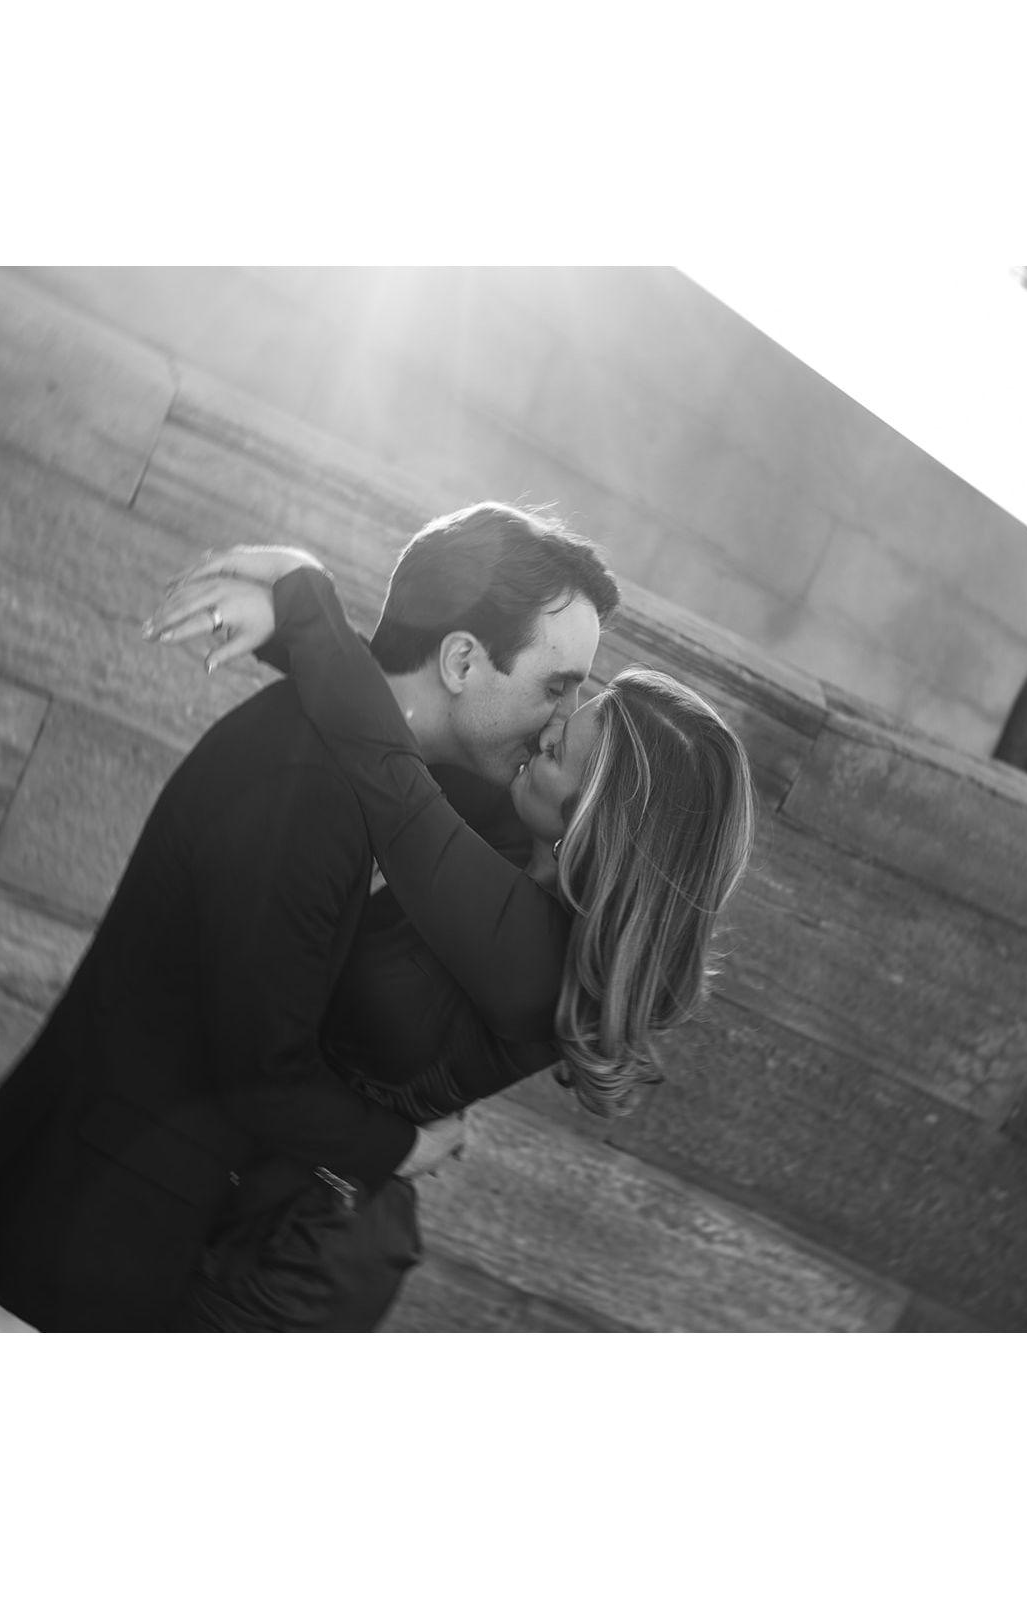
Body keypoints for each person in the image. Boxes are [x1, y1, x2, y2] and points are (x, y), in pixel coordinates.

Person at [0, 502, 620, 1330]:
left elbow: (380, 715)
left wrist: (302, 606)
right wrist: (403, 1148)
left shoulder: (392, 766)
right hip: (76, 1241)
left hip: (129, 1231)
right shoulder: (305, 792)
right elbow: (260, 1069)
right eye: (556, 687)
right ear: (464, 661)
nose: (560, 723)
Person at [145, 545, 756, 1328]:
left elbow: (389, 778)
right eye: (568, 701)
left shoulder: (532, 957)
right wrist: (277, 626)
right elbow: (395, 713)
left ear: (596, 818)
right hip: (252, 1184)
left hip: (289, 1260)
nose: (548, 723)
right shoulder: (523, 840)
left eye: (564, 743)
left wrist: (301, 590)